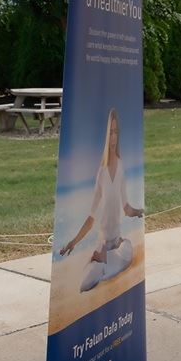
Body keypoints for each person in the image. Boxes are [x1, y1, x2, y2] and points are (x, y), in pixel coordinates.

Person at [59, 109, 144, 292]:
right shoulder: (102, 172)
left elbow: (126, 208)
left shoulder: (121, 166)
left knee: (128, 249)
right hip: (104, 248)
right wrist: (72, 243)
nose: (113, 137)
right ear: (107, 136)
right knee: (87, 282)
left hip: (117, 245)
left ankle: (109, 263)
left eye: (116, 132)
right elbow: (91, 219)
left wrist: (138, 212)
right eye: (110, 132)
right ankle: (101, 265)